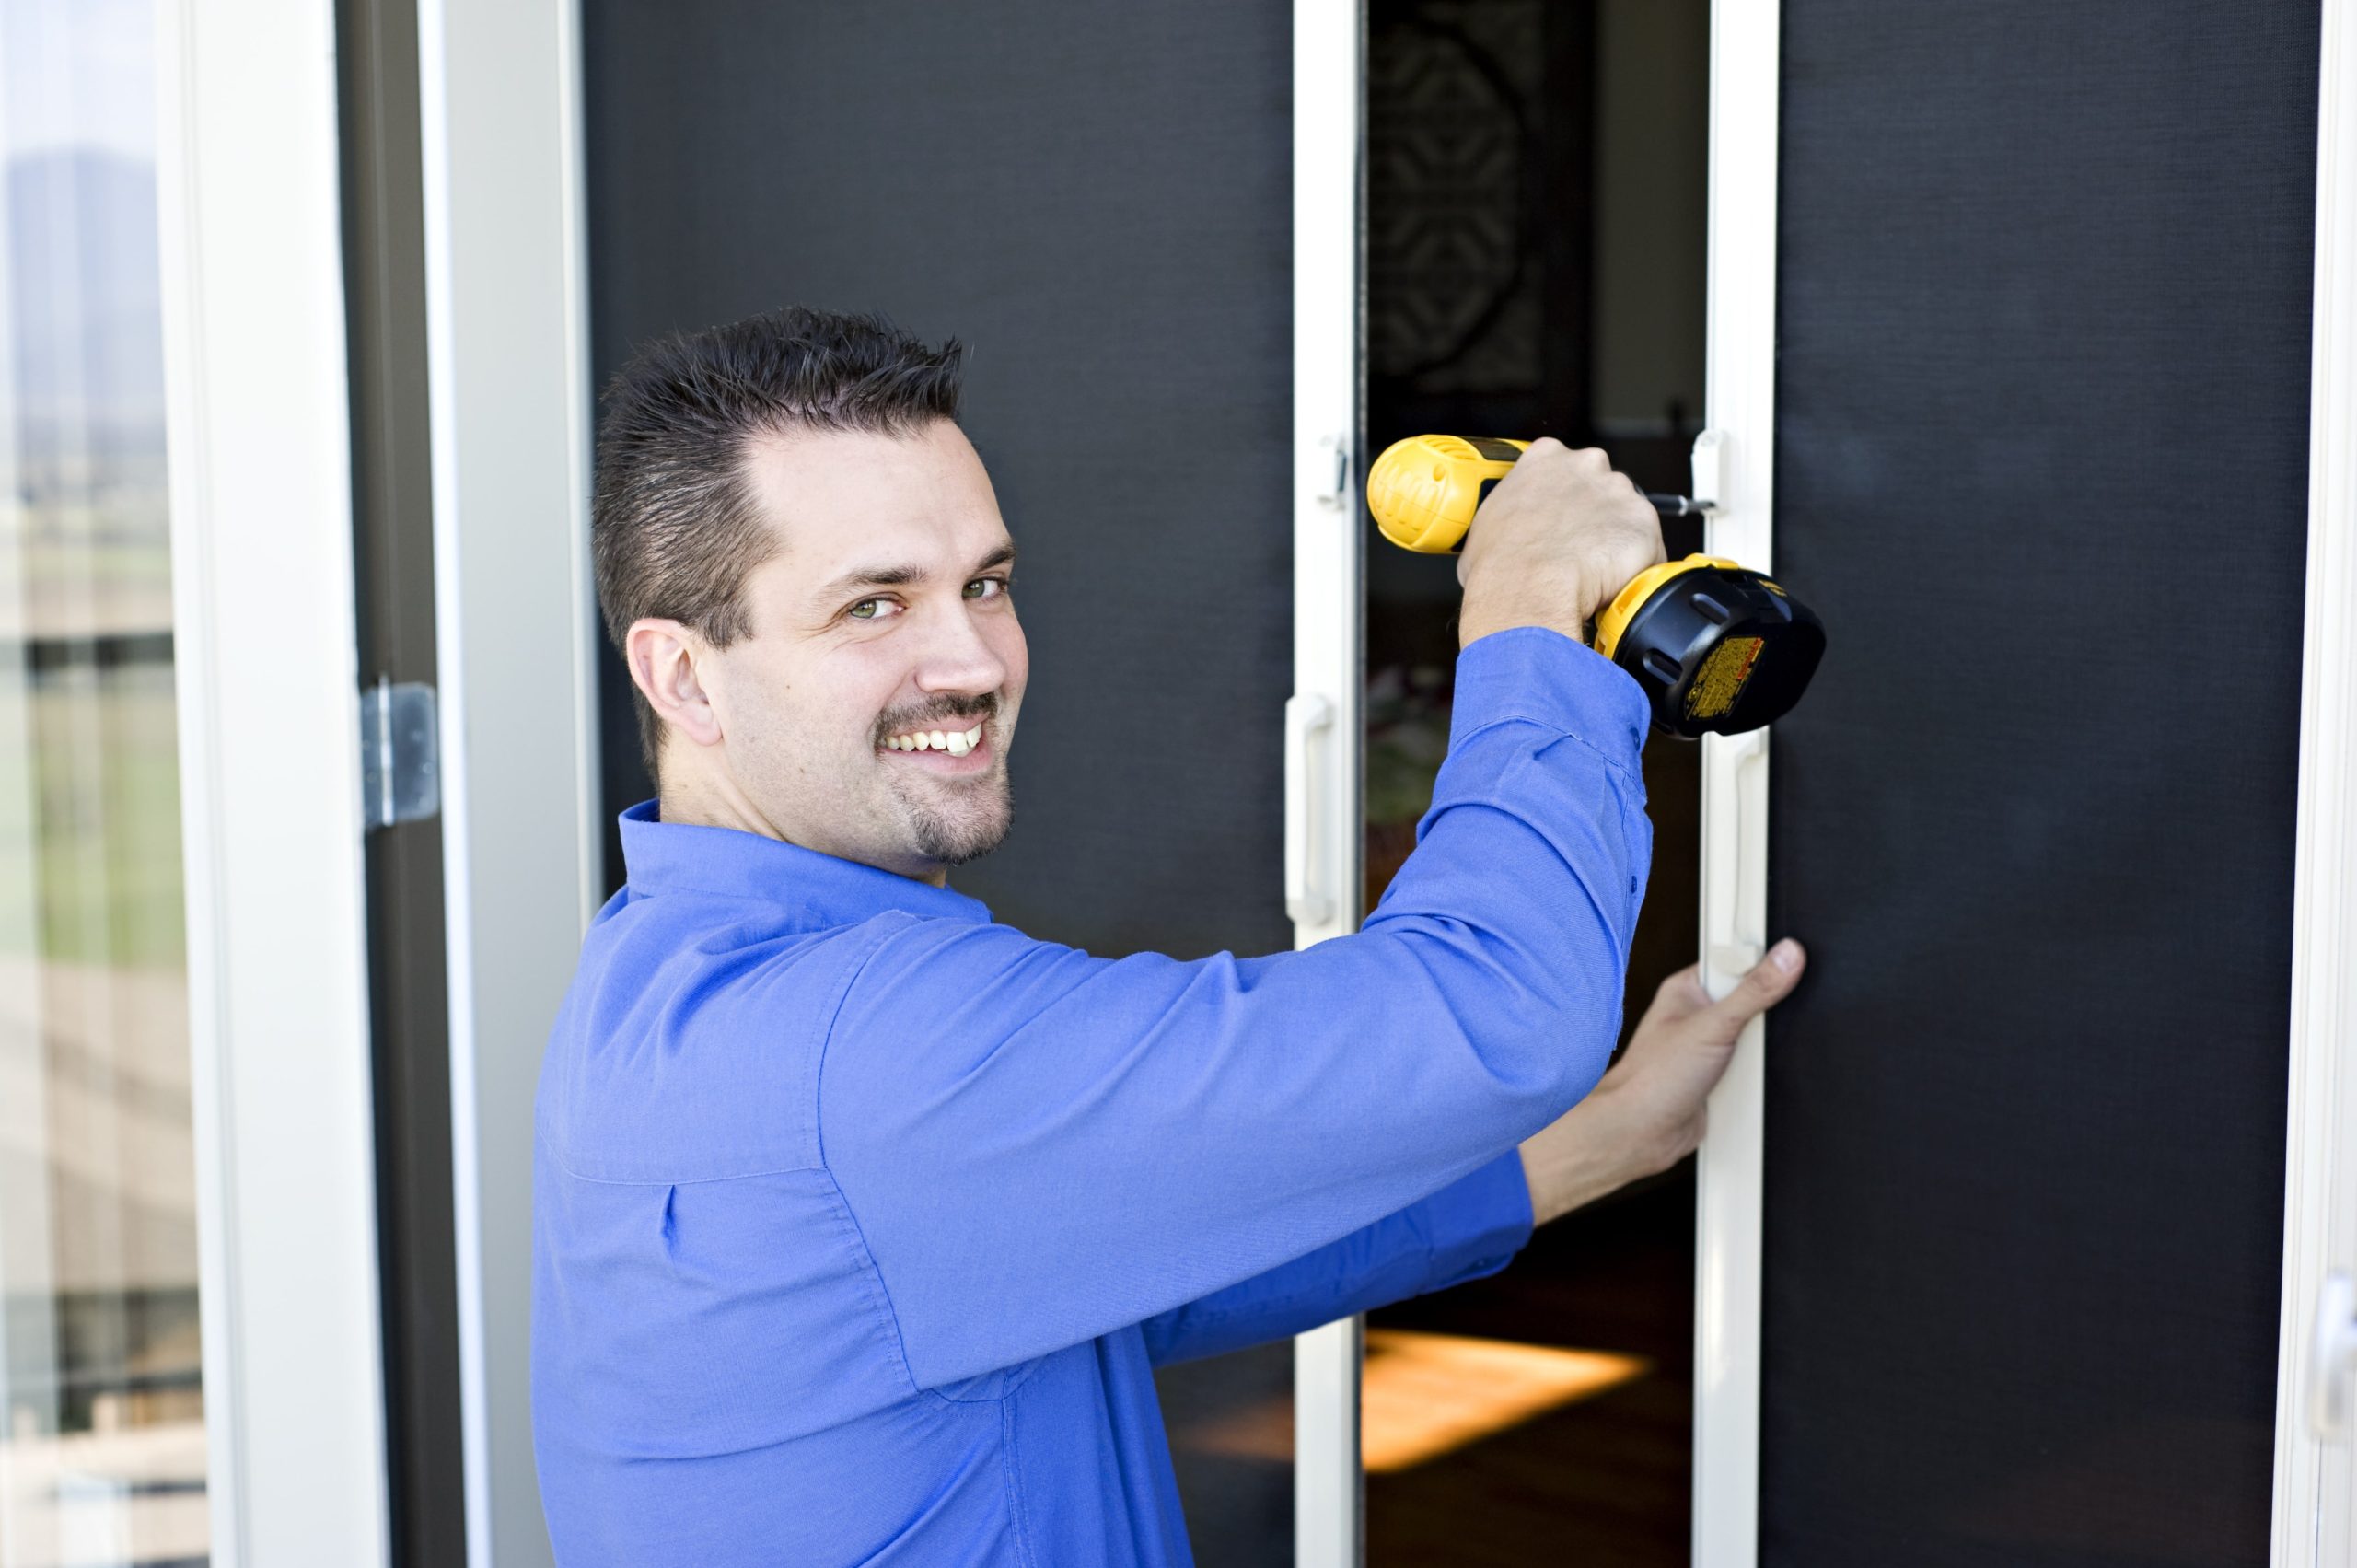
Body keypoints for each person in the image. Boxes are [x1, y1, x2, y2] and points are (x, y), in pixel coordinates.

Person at [531, 306, 1805, 1565]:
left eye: (986, 583)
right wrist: (1527, 599)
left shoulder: (661, 970)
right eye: (874, 606)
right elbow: (1497, 1012)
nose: (973, 660)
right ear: (683, 676)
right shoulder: (852, 1050)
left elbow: (1122, 1253)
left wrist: (1590, 1147)